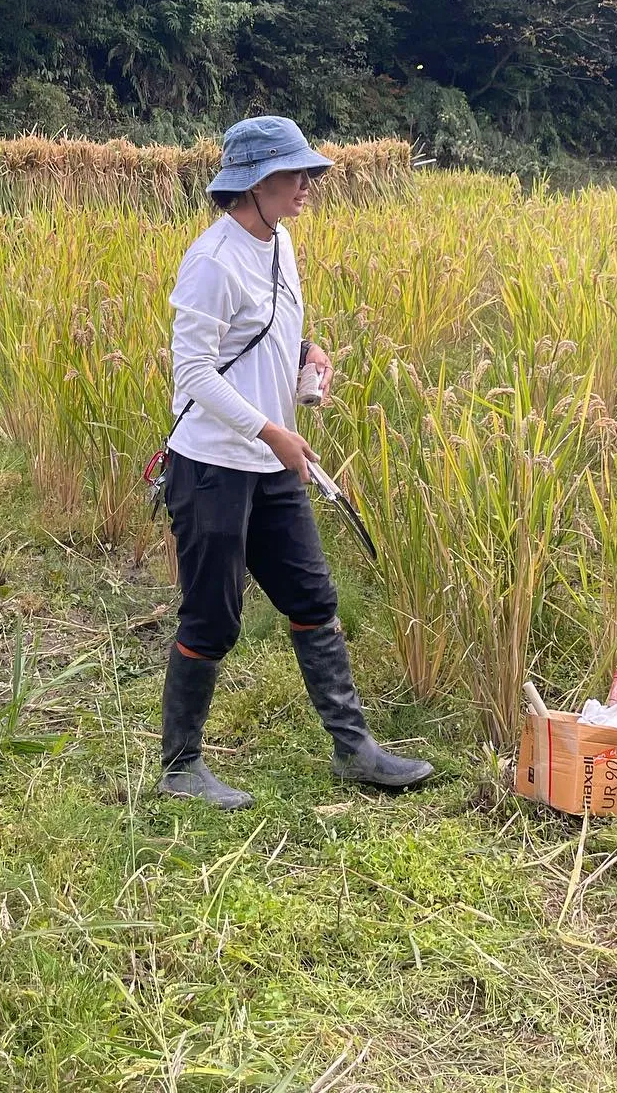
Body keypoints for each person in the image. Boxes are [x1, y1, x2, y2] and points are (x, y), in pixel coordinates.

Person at [158, 114, 433, 809]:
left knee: (313, 599)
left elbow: (263, 329)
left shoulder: (279, 242)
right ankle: (181, 766)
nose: (308, 185)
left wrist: (307, 350)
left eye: (308, 172)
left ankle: (355, 750)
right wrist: (268, 431)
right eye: (293, 174)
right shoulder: (211, 261)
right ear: (252, 183)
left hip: (274, 462)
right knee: (211, 619)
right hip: (215, 466)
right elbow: (192, 370)